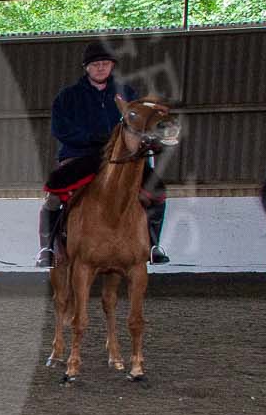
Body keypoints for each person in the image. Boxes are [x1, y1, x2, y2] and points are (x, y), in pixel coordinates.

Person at [36, 41, 169, 268]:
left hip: (121, 159)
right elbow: (60, 129)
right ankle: (46, 248)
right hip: (80, 156)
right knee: (54, 193)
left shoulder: (126, 93)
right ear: (86, 67)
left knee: (156, 188)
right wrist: (91, 139)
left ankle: (154, 245)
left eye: (105, 64)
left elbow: (138, 123)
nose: (101, 68)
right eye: (96, 64)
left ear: (112, 66)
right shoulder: (68, 97)